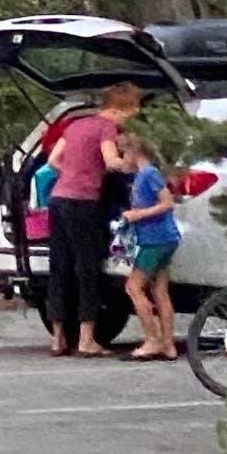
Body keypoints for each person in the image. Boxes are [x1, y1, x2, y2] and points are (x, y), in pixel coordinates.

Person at [44, 81, 143, 359]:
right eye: (132, 111)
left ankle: (58, 339)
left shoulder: (75, 125)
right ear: (119, 108)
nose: (132, 118)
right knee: (87, 268)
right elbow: (111, 162)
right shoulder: (106, 128)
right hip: (83, 203)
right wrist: (133, 160)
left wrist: (72, 173)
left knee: (60, 267)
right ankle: (87, 339)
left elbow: (53, 160)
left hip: (59, 198)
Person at [118, 133, 182, 363]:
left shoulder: (149, 174)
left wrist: (138, 215)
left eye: (123, 152)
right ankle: (168, 343)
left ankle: (152, 338)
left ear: (134, 151)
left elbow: (167, 203)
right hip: (162, 238)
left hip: (155, 240)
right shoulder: (141, 176)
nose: (121, 158)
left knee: (133, 287)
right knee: (159, 290)